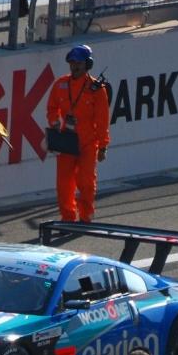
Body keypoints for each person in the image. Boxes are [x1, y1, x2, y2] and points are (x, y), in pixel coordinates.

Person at [46, 45, 111, 223]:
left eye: (79, 63)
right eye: (72, 63)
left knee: (86, 182)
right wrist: (55, 122)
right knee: (64, 184)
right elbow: (52, 108)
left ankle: (85, 216)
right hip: (66, 141)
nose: (75, 67)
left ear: (87, 64)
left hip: (87, 143)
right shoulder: (60, 84)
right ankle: (67, 217)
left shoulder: (97, 89)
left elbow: (103, 120)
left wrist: (103, 146)